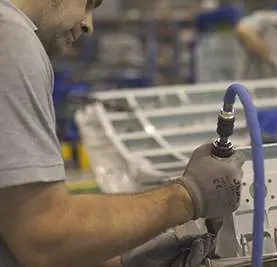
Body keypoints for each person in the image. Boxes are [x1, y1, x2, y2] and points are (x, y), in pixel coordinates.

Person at [0, 0, 245, 267]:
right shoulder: (12, 39)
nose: (88, 25)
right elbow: (43, 238)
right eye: (89, 4)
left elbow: (15, 231)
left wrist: (123, 261)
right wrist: (188, 195)